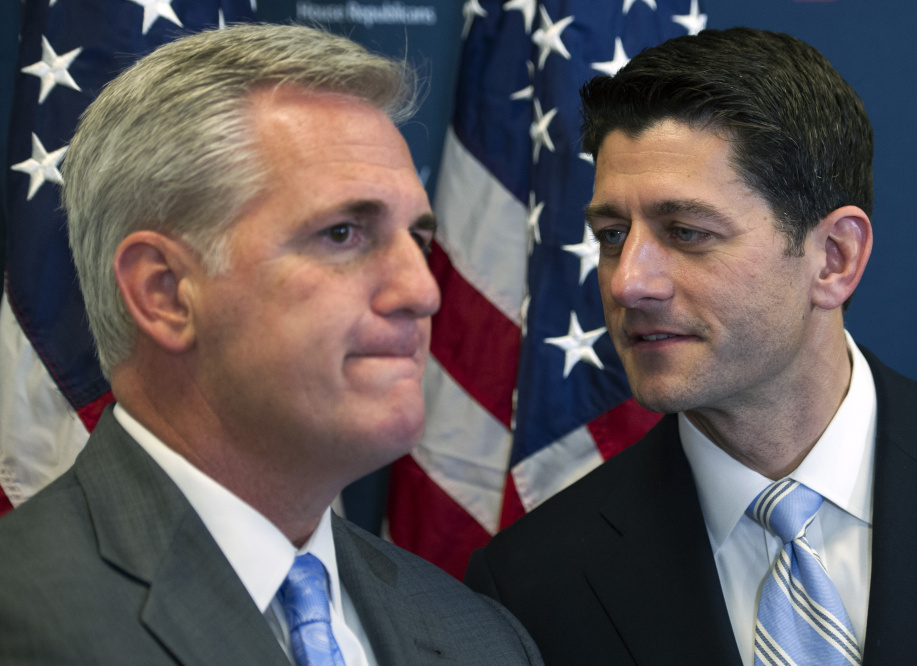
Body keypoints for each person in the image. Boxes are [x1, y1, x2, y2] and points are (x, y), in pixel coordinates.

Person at [0, 24, 541, 665]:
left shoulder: (485, 640)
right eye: (343, 233)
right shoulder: (24, 622)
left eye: (418, 241)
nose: (422, 292)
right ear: (165, 292)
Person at [465, 27, 917, 665]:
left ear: (834, 258)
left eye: (686, 232)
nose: (628, 282)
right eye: (612, 234)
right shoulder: (530, 584)